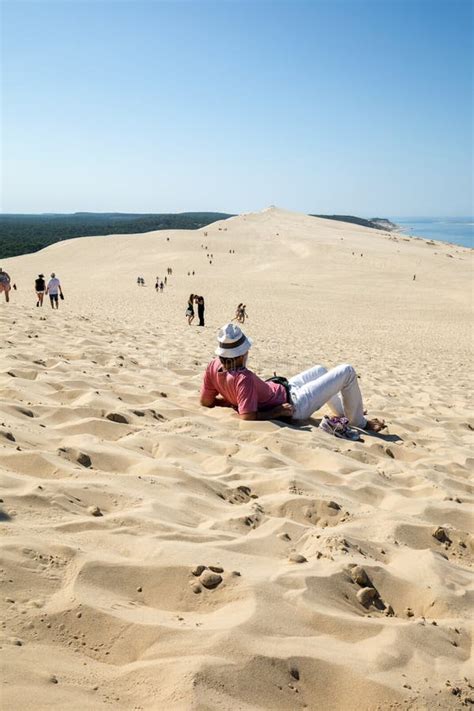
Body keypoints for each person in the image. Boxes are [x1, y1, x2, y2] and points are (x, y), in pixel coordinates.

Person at [200, 323, 386, 431]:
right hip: (295, 404)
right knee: (347, 371)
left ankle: (346, 414)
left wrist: (231, 401)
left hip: (284, 388)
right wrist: (276, 412)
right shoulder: (243, 378)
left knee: (320, 370)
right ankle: (359, 422)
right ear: (241, 354)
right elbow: (247, 417)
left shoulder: (212, 366)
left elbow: (206, 401)